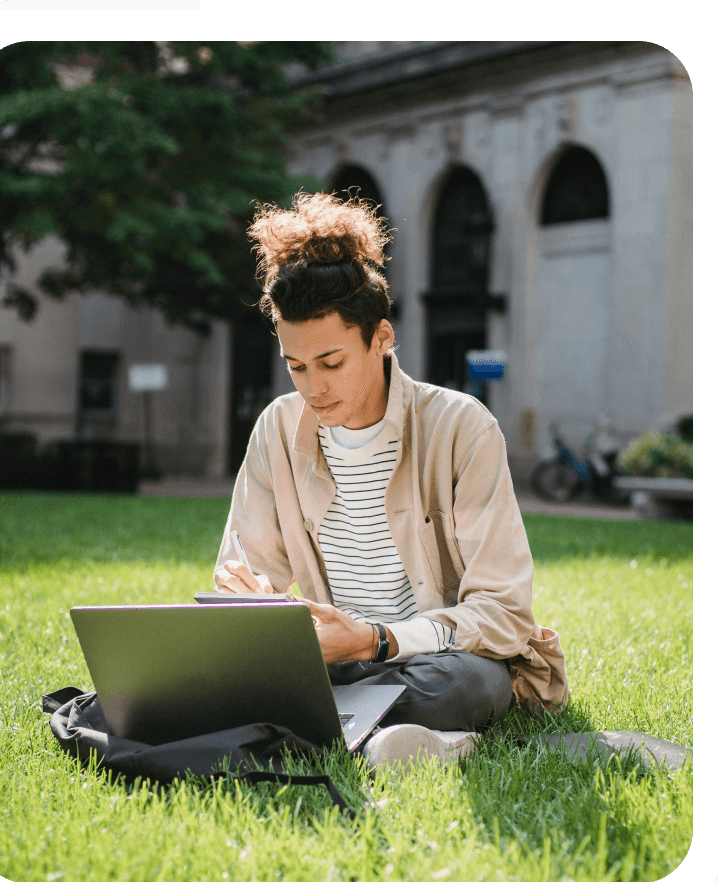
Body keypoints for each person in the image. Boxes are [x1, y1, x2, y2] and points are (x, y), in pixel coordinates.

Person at [213, 190, 568, 772]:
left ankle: (313, 722)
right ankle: (392, 735)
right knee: (219, 670)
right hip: (324, 662)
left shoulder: (461, 427)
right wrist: (253, 612)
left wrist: (375, 640)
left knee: (475, 684)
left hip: (430, 660)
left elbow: (504, 614)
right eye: (295, 366)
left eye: (331, 363)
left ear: (382, 339)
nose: (313, 387)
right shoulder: (276, 427)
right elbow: (241, 574)